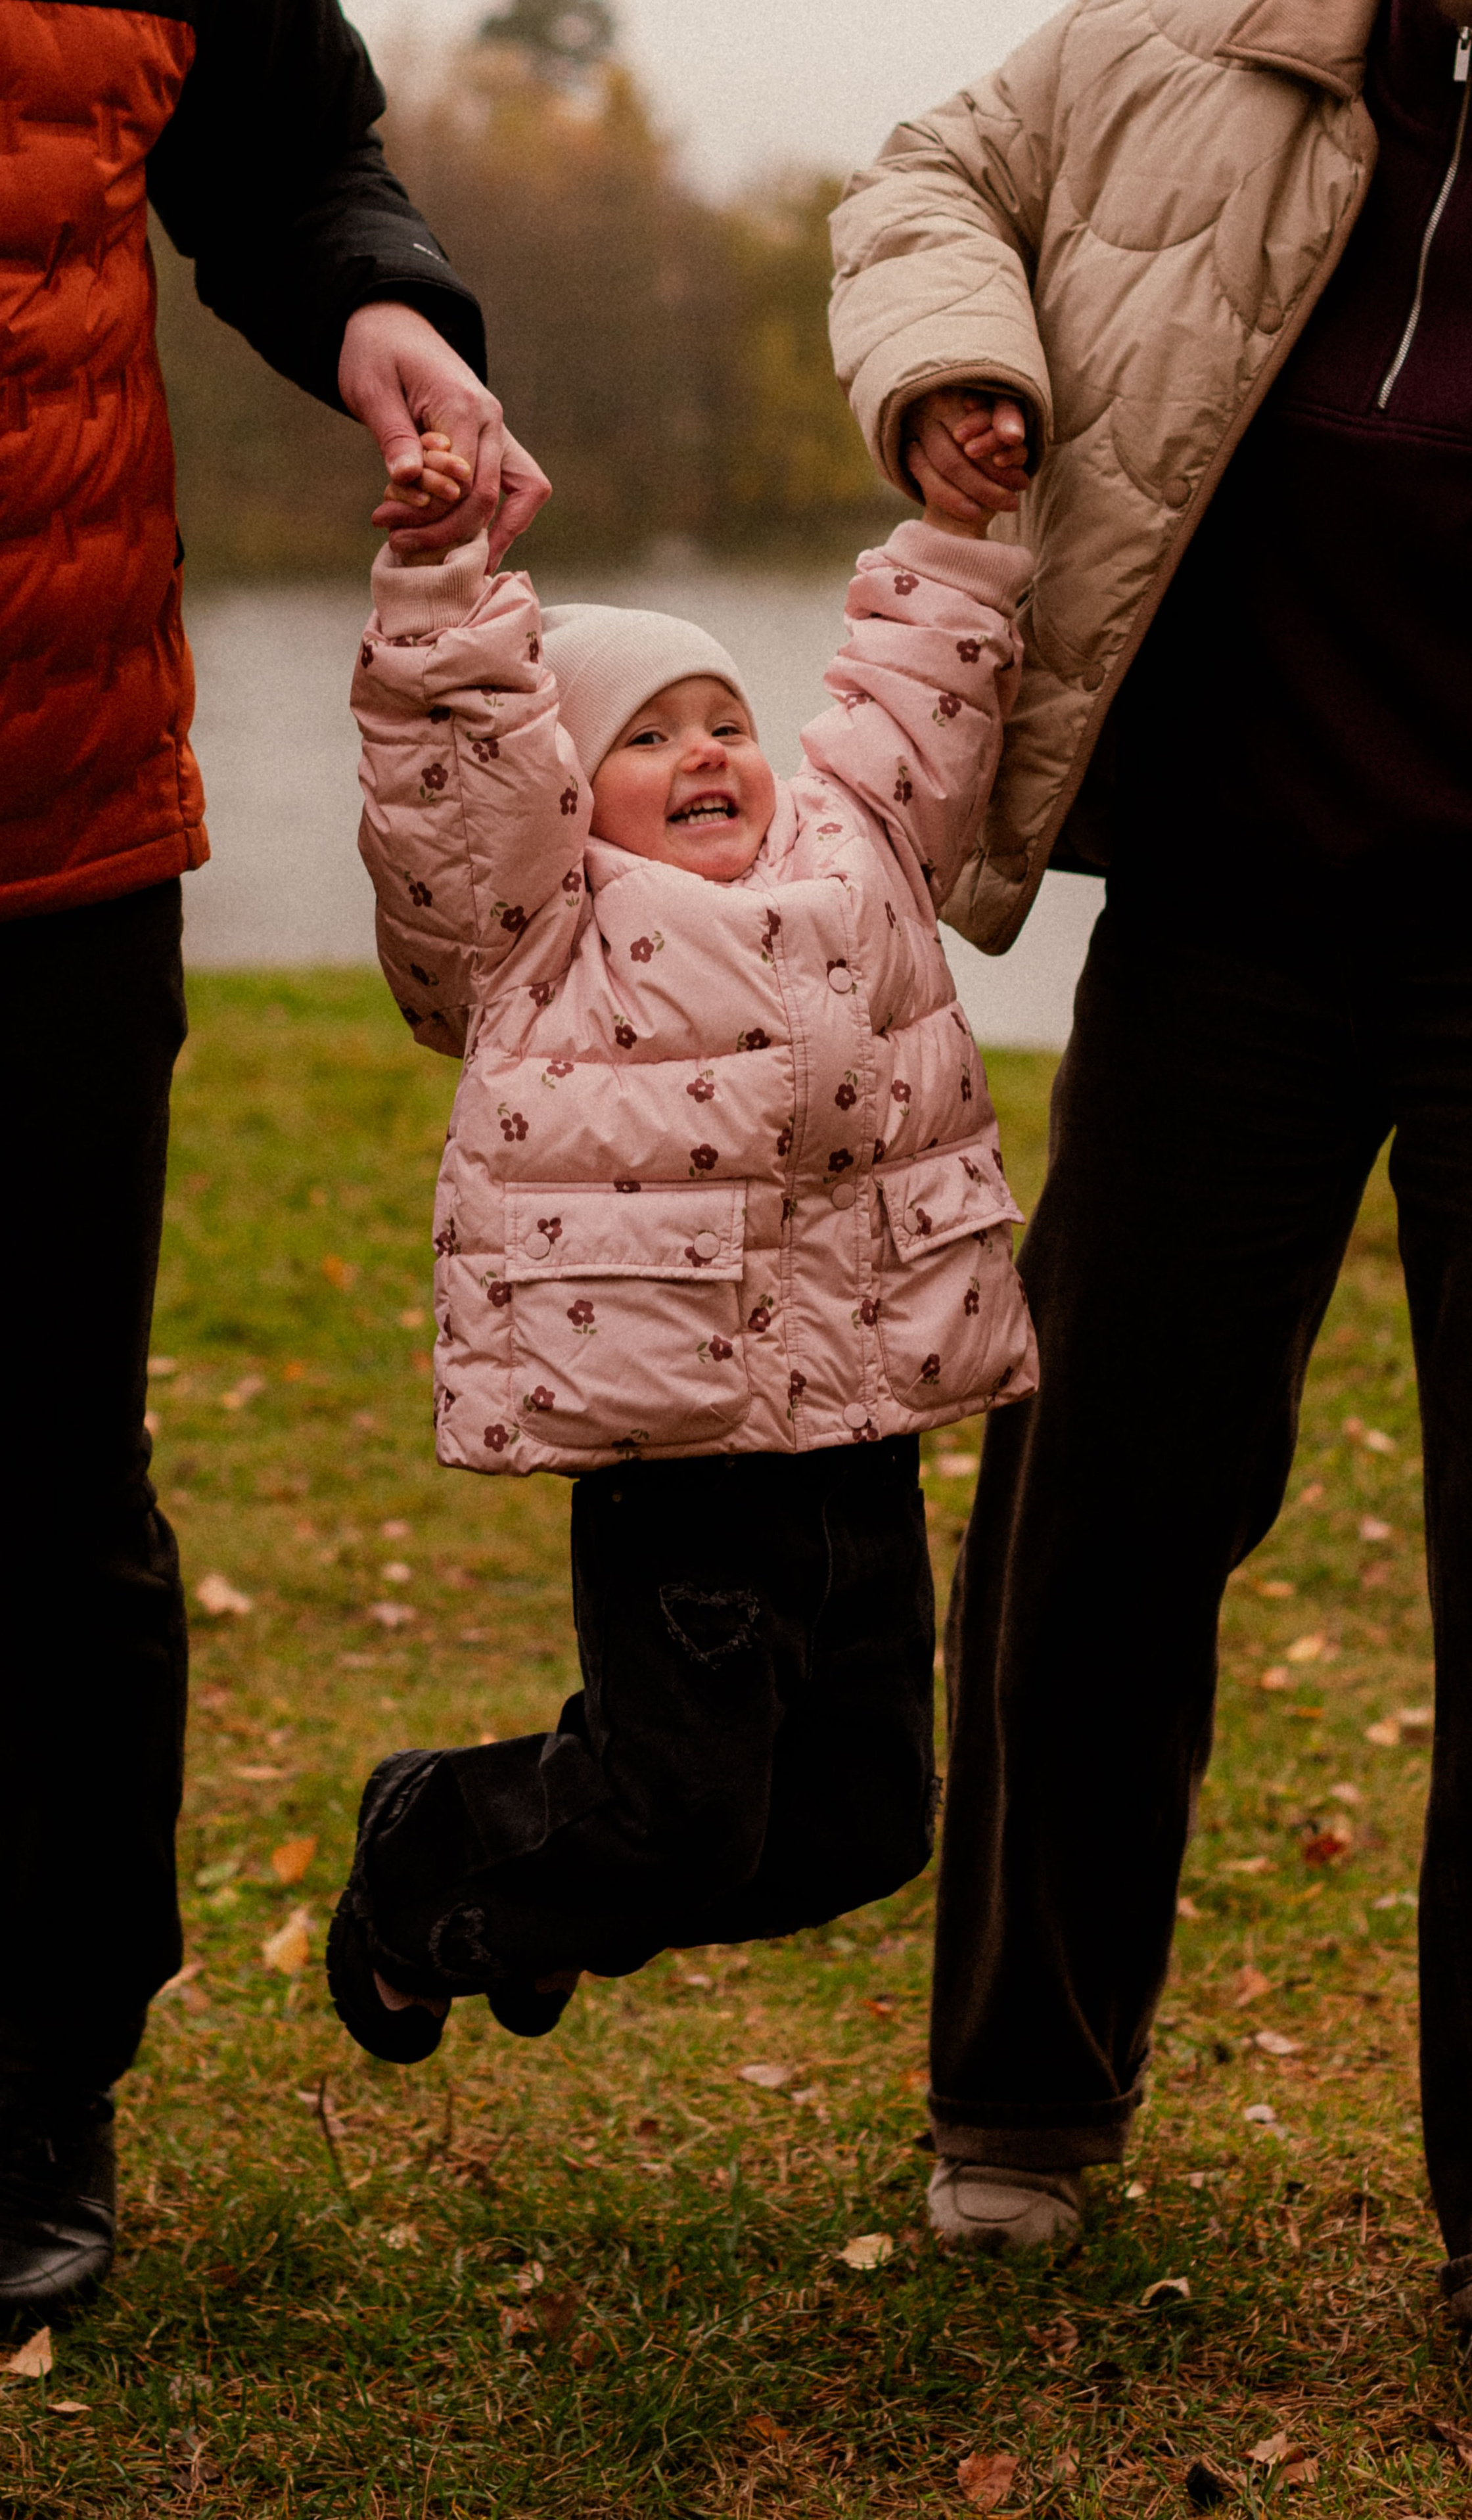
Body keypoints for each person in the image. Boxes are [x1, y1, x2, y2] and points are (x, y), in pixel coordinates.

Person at [0, 0, 545, 2337]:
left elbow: (293, 165)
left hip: (57, 837)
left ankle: (51, 2088)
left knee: (51, 1518)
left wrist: (387, 310)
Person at [829, 0, 1472, 2289]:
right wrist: (955, 367)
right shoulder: (1193, 37)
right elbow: (927, 179)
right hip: (1232, 896)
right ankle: (1025, 2081)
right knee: (1102, 1498)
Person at [321, 431, 1038, 2058]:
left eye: (725, 721)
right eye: (645, 736)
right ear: (571, 794)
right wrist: (438, 583)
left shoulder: (856, 863)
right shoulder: (541, 926)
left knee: (868, 1824)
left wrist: (957, 526)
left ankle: (548, 1894)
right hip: (681, 1456)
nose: (704, 749)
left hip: (857, 1438)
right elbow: (455, 786)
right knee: (682, 1816)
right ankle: (433, 1853)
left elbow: (917, 711)